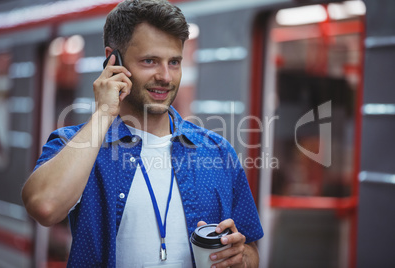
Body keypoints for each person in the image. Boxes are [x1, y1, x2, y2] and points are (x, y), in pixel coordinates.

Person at [22, 0, 263, 267]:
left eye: (174, 62)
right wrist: (104, 112)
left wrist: (240, 258)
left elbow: (251, 250)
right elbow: (44, 207)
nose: (166, 76)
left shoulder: (217, 151)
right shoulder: (75, 144)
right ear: (113, 60)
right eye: (150, 61)